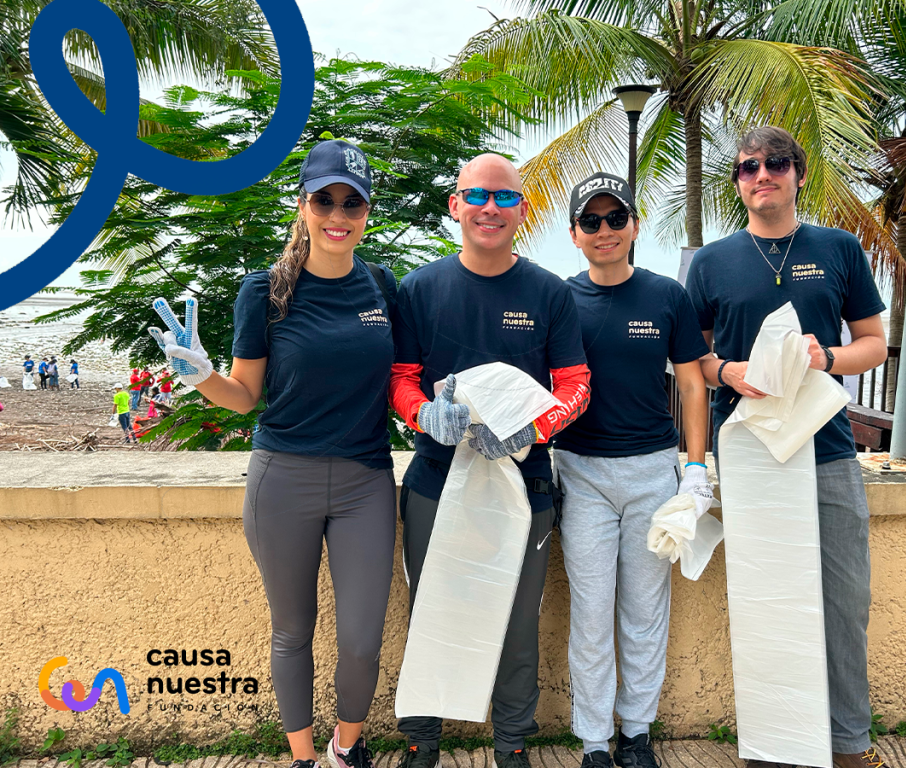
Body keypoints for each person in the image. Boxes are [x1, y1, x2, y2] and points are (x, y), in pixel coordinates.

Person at [149, 140, 396, 768]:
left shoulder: (383, 287)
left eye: (352, 202)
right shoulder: (266, 291)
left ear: (366, 212)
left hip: (367, 479)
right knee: (292, 631)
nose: (338, 214)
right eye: (325, 199)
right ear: (303, 203)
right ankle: (305, 759)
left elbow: (404, 380)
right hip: (283, 478)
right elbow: (242, 397)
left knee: (363, 638)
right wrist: (200, 374)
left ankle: (346, 747)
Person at [685, 127, 889, 768]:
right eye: (749, 166)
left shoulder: (838, 248)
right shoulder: (712, 261)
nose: (761, 174)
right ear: (738, 180)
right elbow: (690, 360)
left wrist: (824, 356)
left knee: (843, 601)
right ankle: (773, 747)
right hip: (747, 457)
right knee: (764, 601)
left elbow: (874, 343)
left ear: (798, 173)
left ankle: (848, 746)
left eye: (775, 164)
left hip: (825, 450)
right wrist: (728, 372)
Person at [388, 153, 591, 768]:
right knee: (430, 613)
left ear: (520, 211)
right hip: (433, 481)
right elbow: (400, 378)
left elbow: (576, 384)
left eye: (505, 199)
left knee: (517, 622)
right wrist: (424, 415)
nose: (490, 209)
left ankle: (513, 745)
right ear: (455, 205)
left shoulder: (549, 293)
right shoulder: (421, 288)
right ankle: (423, 741)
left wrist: (534, 427)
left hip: (524, 486)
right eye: (477, 196)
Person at [551, 172, 712, 768]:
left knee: (645, 612)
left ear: (634, 226)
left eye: (615, 219)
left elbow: (693, 383)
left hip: (652, 472)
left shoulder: (667, 296)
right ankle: (595, 740)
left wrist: (695, 467)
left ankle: (636, 733)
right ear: (574, 234)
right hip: (581, 472)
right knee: (592, 615)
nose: (604, 231)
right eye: (590, 222)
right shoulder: (559, 298)